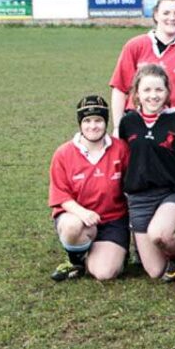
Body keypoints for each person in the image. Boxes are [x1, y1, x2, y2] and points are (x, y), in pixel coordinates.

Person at [118, 64, 175, 281]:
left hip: (172, 192)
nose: (153, 96)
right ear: (137, 94)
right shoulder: (128, 122)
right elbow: (123, 160)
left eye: (159, 90)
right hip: (139, 198)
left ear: (167, 92)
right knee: (155, 272)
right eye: (147, 90)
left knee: (160, 234)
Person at [48, 96, 130, 282]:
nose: (93, 126)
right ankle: (74, 261)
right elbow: (60, 196)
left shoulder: (121, 149)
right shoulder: (63, 153)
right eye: (87, 121)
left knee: (104, 273)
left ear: (106, 122)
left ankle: (105, 255)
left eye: (98, 120)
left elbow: (131, 187)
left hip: (113, 221)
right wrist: (83, 213)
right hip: (80, 219)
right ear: (80, 123)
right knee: (72, 226)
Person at [110, 0, 175, 130]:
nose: (172, 18)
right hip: (138, 125)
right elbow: (119, 89)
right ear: (156, 15)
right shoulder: (135, 45)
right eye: (166, 13)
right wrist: (117, 127)